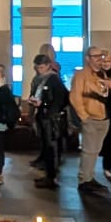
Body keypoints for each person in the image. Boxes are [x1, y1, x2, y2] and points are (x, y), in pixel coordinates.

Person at [69, 52, 111, 194]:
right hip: (91, 118)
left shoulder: (102, 74)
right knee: (88, 151)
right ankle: (84, 180)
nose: (99, 59)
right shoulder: (81, 75)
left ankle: (89, 177)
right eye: (95, 56)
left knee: (95, 151)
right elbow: (75, 96)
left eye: (101, 56)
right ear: (88, 58)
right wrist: (84, 116)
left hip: (103, 117)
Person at [28, 54, 69, 189]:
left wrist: (46, 106)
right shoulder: (42, 79)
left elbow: (61, 98)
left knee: (51, 146)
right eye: (37, 67)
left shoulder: (53, 80)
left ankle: (51, 176)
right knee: (47, 146)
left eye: (42, 67)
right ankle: (49, 175)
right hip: (45, 116)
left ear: (48, 66)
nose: (39, 69)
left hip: (50, 118)